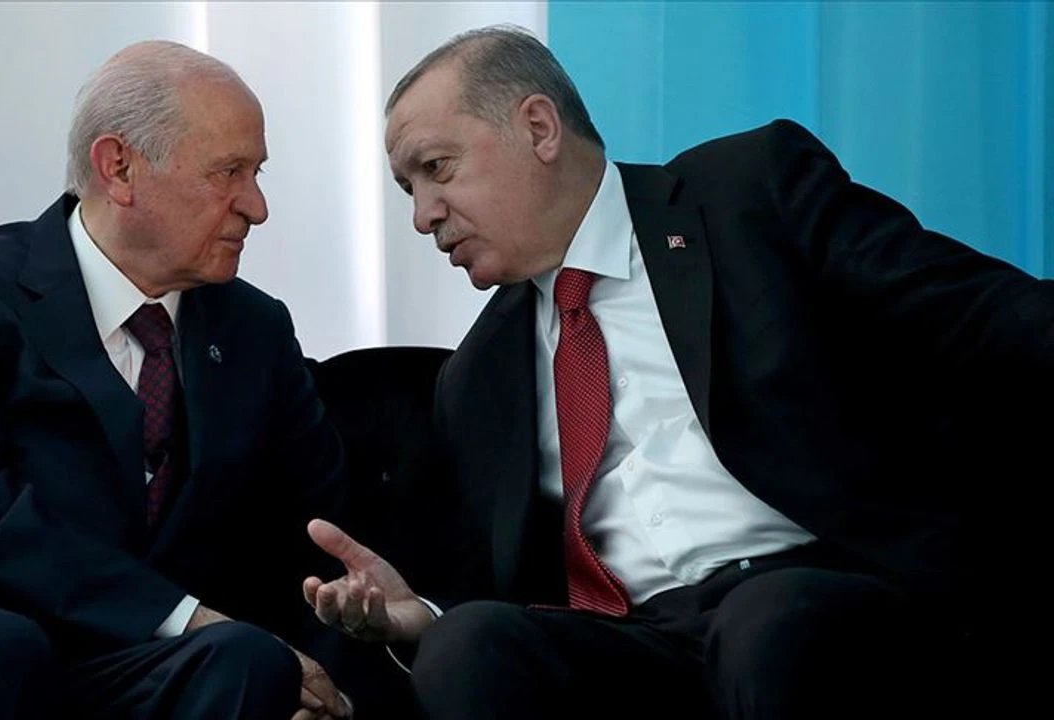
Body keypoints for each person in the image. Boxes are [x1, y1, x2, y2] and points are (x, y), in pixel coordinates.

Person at [303, 24, 1054, 719]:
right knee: (468, 647)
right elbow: (491, 582)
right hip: (640, 641)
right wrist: (425, 616)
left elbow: (974, 310)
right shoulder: (476, 378)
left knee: (767, 624)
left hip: (822, 596)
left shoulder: (747, 195)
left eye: (436, 169)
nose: (423, 215)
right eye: (408, 189)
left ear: (538, 128)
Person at [0, 40, 360, 720]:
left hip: (126, 662)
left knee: (249, 658)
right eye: (229, 172)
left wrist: (311, 674)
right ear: (118, 167)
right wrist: (180, 615)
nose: (257, 206)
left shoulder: (254, 330)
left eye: (257, 172)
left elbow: (319, 530)